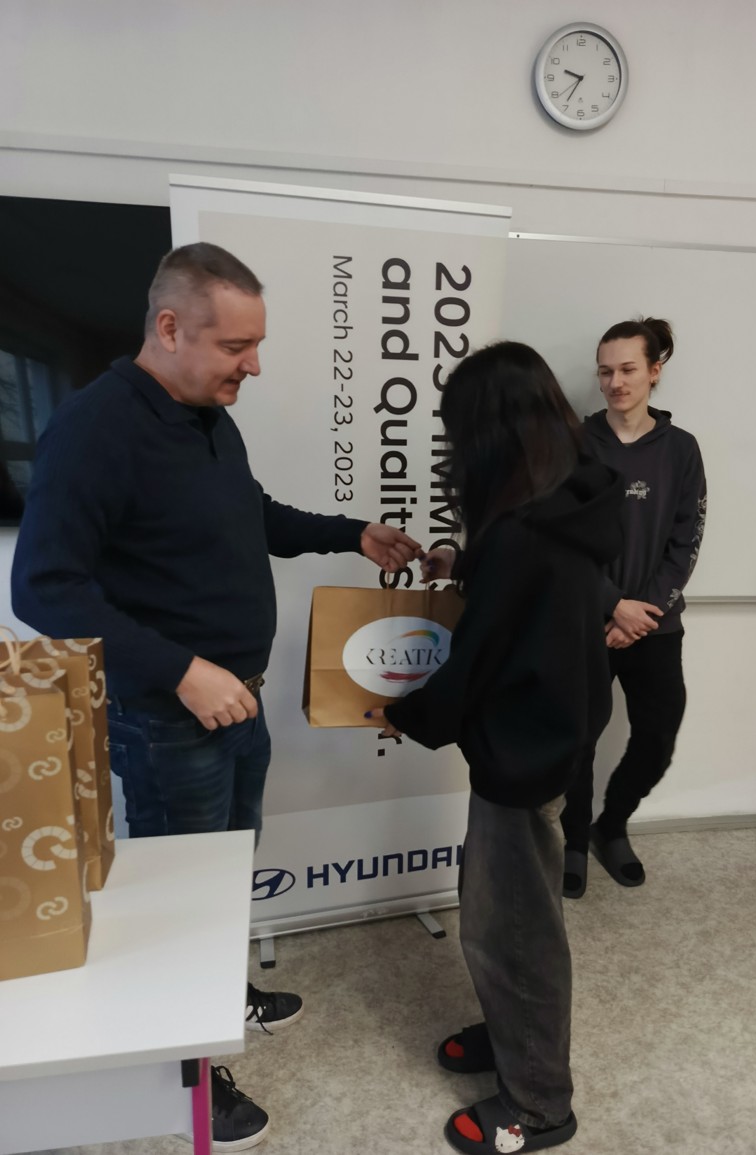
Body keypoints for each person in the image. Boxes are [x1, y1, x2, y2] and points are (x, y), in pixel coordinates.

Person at [11, 242, 421, 1150]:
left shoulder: (205, 417)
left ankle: (219, 993)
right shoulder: (95, 426)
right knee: (177, 908)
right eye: (238, 345)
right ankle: (189, 1077)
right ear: (170, 327)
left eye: (256, 343)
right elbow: (42, 587)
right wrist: (182, 670)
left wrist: (351, 532)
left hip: (237, 703)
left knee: (224, 881)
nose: (255, 365)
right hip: (170, 718)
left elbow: (252, 515)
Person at [368, 341, 623, 1154]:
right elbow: (523, 592)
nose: (453, 449)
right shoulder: (572, 497)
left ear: (487, 434)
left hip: (523, 749)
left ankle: (539, 1101)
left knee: (512, 928)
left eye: (456, 432)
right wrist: (467, 561)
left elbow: (476, 657)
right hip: (556, 730)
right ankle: (514, 1033)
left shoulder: (521, 532)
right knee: (500, 906)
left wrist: (402, 714)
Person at [560, 317, 707, 898]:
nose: (615, 382)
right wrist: (610, 603)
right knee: (575, 740)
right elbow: (559, 539)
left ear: (654, 371)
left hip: (655, 625)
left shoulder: (682, 449)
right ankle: (573, 840)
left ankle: (611, 825)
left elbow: (686, 540)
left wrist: (640, 612)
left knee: (658, 737)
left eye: (627, 369)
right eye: (605, 371)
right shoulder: (573, 443)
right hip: (582, 620)